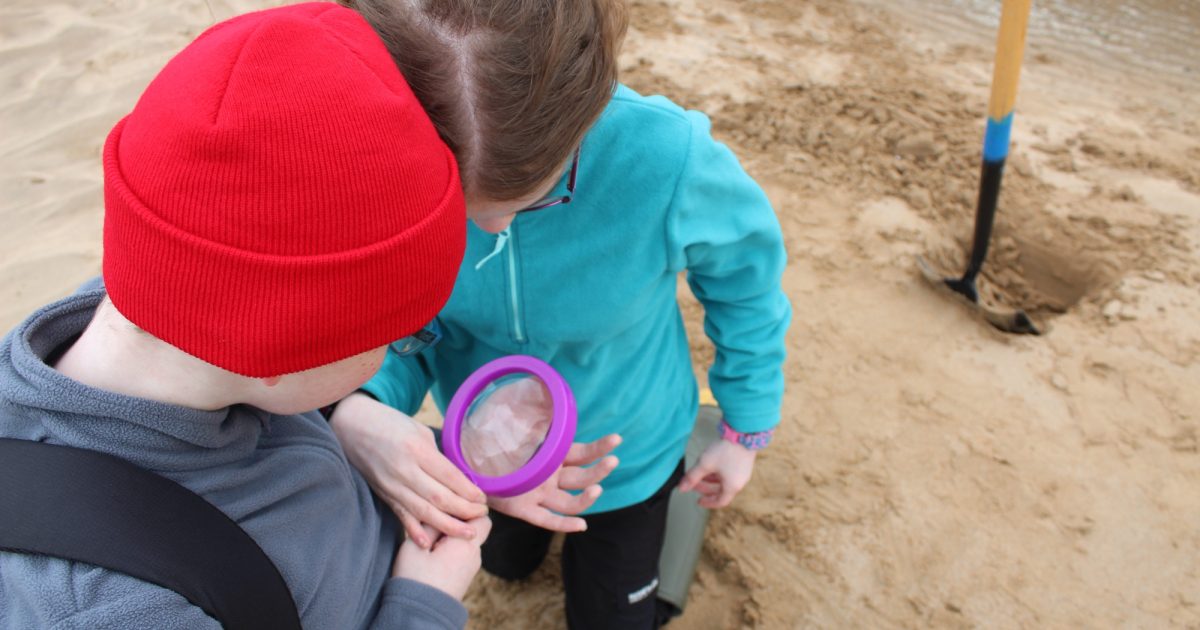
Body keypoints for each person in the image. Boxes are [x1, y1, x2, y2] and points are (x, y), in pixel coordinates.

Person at [0, 4, 489, 628]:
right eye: (399, 335)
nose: (399, 345)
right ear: (278, 354)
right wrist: (424, 605)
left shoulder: (170, 298)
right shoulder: (116, 609)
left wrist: (346, 412)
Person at [331, 0, 792, 627]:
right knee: (505, 563)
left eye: (530, 198)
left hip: (632, 453)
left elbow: (748, 292)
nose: (488, 229)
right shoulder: (368, 166)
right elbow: (409, 328)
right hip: (485, 454)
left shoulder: (669, 158)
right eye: (455, 205)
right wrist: (363, 406)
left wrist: (745, 429)